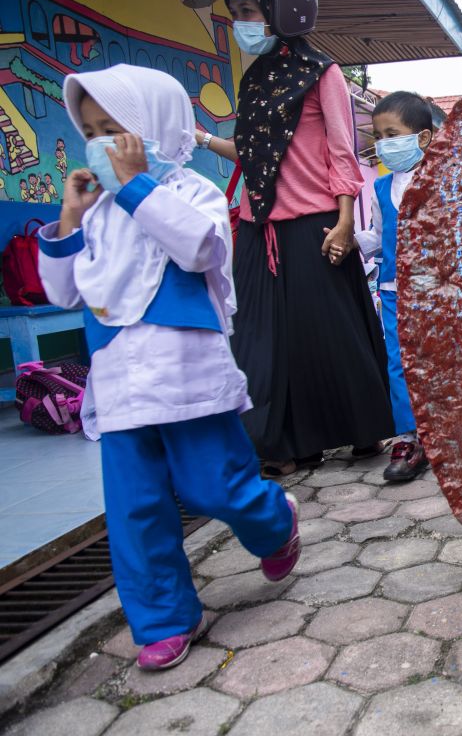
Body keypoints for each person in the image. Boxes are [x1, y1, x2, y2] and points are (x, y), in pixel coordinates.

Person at [37, 65, 300, 669]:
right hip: (119, 386)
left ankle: (273, 521)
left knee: (217, 487)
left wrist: (133, 186)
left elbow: (202, 247)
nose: (103, 143)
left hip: (187, 381)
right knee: (136, 510)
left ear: (156, 126)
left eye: (117, 129)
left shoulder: (189, 191)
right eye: (92, 130)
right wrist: (71, 220)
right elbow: (65, 294)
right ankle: (163, 619)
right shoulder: (97, 212)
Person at [181, 0, 393, 476]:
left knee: (329, 335)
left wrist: (345, 222)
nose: (241, 25)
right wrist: (204, 138)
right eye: (236, 15)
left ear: (282, 11)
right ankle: (283, 444)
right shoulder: (254, 79)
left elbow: (342, 153)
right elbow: (254, 153)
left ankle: (361, 432)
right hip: (258, 227)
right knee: (261, 337)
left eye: (249, 13)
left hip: (315, 223)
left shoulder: (324, 73)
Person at [354, 91, 432, 483]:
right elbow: (378, 234)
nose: (384, 143)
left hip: (437, 287)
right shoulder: (382, 189)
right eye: (378, 135)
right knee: (399, 361)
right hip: (392, 288)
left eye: (392, 133)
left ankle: (446, 427)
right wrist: (352, 242)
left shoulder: (442, 180)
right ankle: (409, 437)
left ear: (423, 138)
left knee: (440, 352)